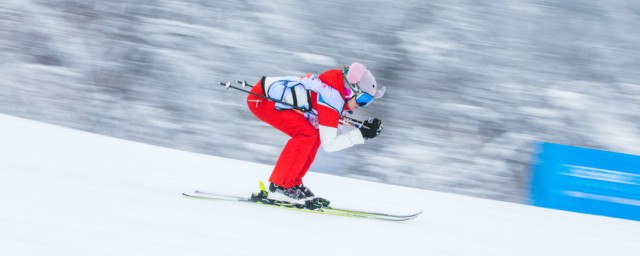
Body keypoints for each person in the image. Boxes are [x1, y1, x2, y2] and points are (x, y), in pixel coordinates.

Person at [246, 62, 385, 201]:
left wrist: (362, 130)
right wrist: (361, 134)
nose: (361, 106)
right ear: (350, 89)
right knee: (307, 135)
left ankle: (292, 183)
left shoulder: (337, 87)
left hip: (265, 94)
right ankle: (280, 185)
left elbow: (331, 127)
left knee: (314, 135)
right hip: (261, 99)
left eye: (368, 102)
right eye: (363, 100)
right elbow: (330, 144)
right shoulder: (332, 98)